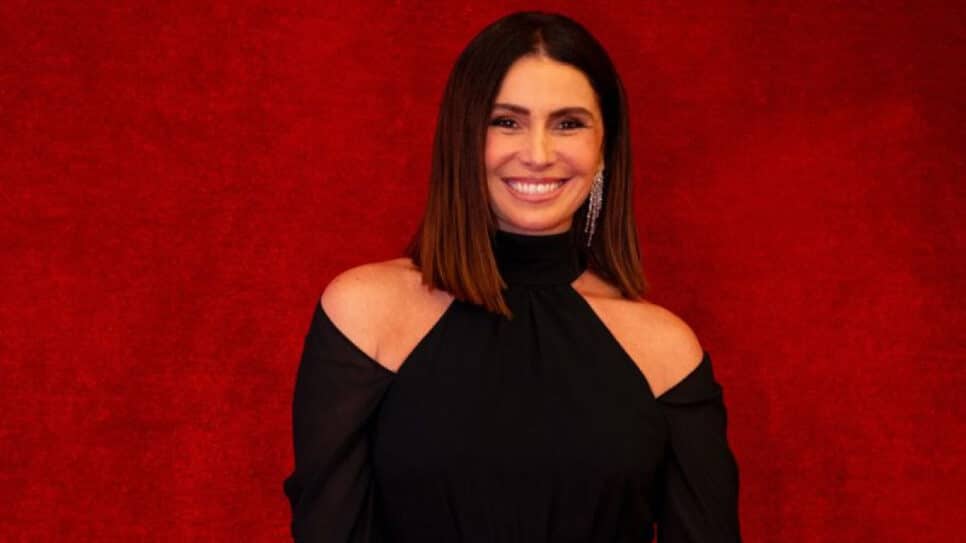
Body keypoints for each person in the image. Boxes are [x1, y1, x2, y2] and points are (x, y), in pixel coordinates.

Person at [283, 10, 741, 542]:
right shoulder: (365, 314)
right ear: (462, 137)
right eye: (506, 122)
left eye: (568, 123)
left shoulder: (666, 350)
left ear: (604, 148)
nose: (538, 155)